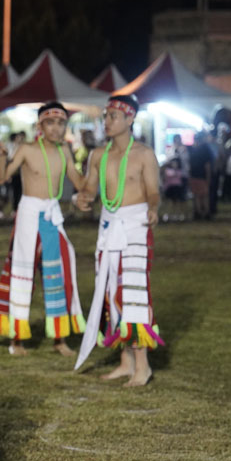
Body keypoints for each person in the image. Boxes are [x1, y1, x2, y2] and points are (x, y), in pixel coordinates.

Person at [0, 101, 86, 356]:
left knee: (56, 276)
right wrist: (2, 156)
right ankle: (16, 340)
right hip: (29, 216)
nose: (57, 128)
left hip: (52, 218)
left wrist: (97, 168)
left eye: (61, 123)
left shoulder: (65, 151)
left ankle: (59, 339)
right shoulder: (27, 149)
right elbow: (0, 179)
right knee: (21, 275)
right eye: (51, 122)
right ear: (40, 125)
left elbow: (81, 182)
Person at [75, 95, 163, 387]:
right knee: (111, 292)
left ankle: (143, 365)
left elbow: (153, 191)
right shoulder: (98, 154)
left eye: (113, 116)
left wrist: (152, 208)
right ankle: (125, 361)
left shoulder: (144, 154)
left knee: (134, 293)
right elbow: (90, 186)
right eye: (106, 116)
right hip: (109, 227)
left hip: (136, 226)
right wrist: (84, 197)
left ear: (130, 119)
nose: (107, 121)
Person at [188, 131, 213, 220]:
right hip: (202, 175)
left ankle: (198, 212)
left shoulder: (193, 150)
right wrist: (208, 177)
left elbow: (190, 164)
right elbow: (207, 165)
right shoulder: (205, 149)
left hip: (194, 175)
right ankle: (206, 213)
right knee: (204, 195)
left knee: (197, 195)